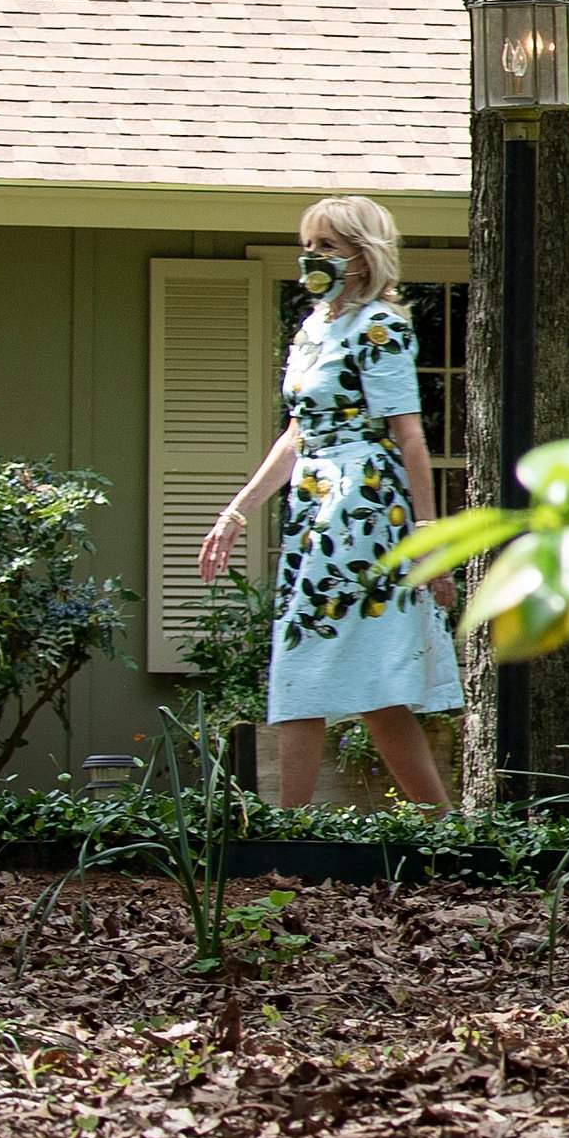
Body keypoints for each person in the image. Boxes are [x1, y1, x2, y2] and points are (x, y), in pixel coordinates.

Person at [197, 195, 459, 808]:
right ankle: (449, 833)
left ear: (362, 257)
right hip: (314, 506)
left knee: (301, 660)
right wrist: (237, 510)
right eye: (307, 245)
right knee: (375, 692)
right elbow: (297, 434)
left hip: (363, 509)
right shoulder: (315, 329)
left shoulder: (380, 327)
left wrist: (429, 540)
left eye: (326, 247)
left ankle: (285, 834)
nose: (311, 257)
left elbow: (410, 435)